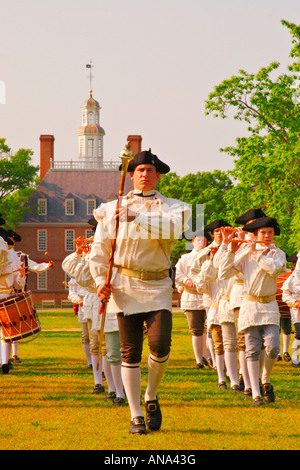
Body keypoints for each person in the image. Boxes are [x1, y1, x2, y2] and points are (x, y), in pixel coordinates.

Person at [89, 149, 191, 434]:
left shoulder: (175, 207)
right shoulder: (111, 209)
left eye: (150, 170)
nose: (145, 175)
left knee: (160, 345)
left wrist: (137, 216)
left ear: (158, 175)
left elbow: (172, 231)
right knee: (129, 352)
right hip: (124, 285)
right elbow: (100, 251)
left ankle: (151, 395)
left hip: (158, 285)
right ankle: (135, 415)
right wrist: (100, 281)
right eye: (140, 170)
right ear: (130, 175)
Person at [219, 216, 286, 405]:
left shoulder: (277, 253)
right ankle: (255, 392)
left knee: (273, 348)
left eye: (270, 232)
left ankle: (265, 378)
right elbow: (223, 273)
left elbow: (273, 270)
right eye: (262, 233)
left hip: (270, 305)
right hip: (249, 306)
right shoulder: (245, 253)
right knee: (251, 350)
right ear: (255, 235)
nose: (266, 235)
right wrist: (231, 252)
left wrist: (257, 254)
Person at [192, 219, 232, 390]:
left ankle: (230, 369)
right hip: (211, 295)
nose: (219, 233)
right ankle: (217, 364)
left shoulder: (233, 248)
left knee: (231, 336)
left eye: (222, 230)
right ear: (212, 234)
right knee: (214, 332)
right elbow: (195, 273)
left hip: (229, 295)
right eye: (216, 231)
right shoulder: (205, 252)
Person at [175, 230, 212, 369]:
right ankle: (199, 360)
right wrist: (185, 280)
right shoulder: (185, 258)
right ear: (193, 242)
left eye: (203, 240)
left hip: (208, 296)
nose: (201, 243)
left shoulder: (210, 257)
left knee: (210, 329)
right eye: (198, 240)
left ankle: (209, 357)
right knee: (196, 330)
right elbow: (178, 273)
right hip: (192, 298)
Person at [0, 228, 26, 374]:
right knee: (6, 333)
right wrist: (21, 275)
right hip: (6, 298)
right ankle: (4, 361)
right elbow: (18, 285)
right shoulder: (12, 259)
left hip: (5, 297)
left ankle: (2, 362)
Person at [282, 253, 300, 368]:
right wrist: (295, 302)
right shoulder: (293, 279)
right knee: (299, 334)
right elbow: (285, 294)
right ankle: (295, 357)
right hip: (297, 312)